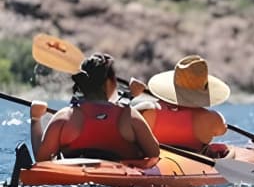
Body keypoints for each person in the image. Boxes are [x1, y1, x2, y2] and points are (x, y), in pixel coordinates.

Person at [30, 53, 160, 162]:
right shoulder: (129, 116)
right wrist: (130, 94)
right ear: (109, 83)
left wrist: (35, 119)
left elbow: (42, 159)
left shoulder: (64, 117)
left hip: (72, 184)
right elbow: (154, 153)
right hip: (119, 184)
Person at [129, 55, 232, 158]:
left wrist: (131, 95)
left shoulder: (147, 109)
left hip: (155, 163)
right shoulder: (212, 118)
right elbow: (222, 129)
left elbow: (121, 119)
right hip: (192, 165)